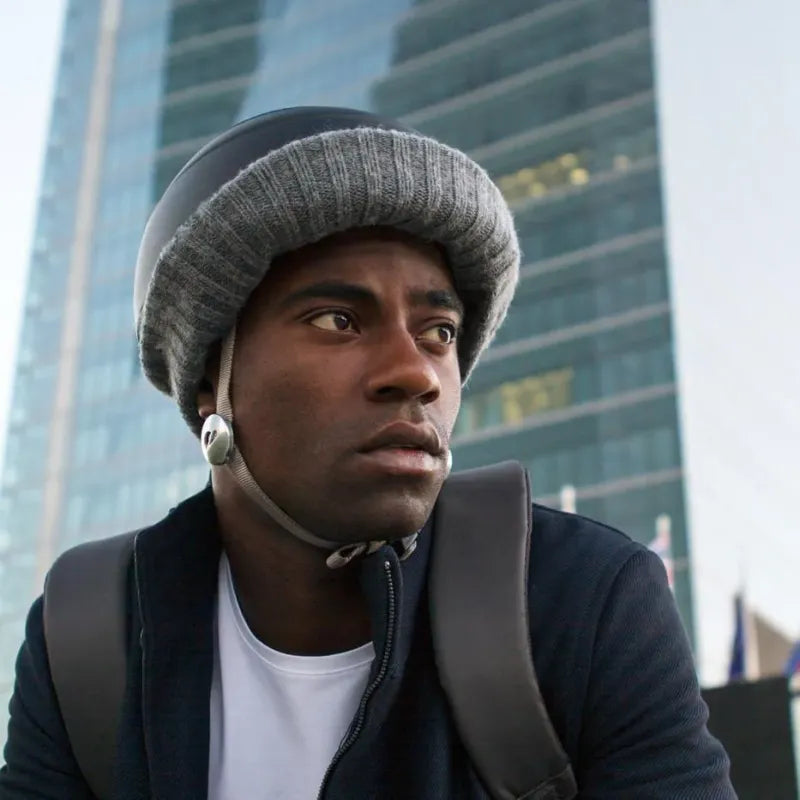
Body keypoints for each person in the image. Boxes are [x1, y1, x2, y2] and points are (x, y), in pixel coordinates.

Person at [1, 107, 736, 799]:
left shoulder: (588, 600)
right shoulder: (87, 632)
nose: (417, 373)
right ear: (207, 383)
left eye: (439, 333)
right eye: (338, 320)